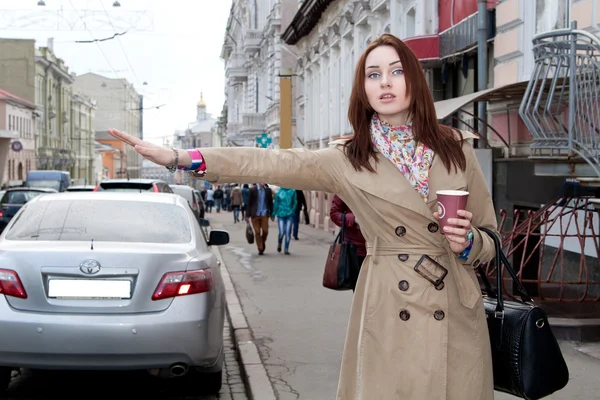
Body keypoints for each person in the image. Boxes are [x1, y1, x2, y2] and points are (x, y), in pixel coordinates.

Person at [108, 33, 498, 400]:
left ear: (414, 79)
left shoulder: (454, 148)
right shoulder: (348, 159)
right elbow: (268, 162)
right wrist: (182, 158)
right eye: (373, 74)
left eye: (396, 71)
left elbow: (491, 236)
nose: (386, 82)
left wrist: (469, 244)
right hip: (392, 303)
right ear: (363, 89)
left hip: (455, 302)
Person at [330, 194, 366, 290]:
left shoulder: (380, 183)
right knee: (360, 290)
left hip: (381, 248)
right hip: (356, 250)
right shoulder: (345, 184)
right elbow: (334, 213)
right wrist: (353, 219)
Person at [246, 183, 273, 255]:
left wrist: (272, 213)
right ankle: (260, 248)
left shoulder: (268, 190)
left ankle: (262, 242)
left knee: (265, 231)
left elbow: (270, 203)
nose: (262, 183)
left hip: (264, 213)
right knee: (257, 232)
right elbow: (249, 203)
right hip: (255, 214)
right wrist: (247, 215)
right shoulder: (252, 190)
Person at [272, 187, 297, 255]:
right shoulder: (279, 192)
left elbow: (295, 202)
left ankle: (286, 248)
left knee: (288, 232)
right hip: (281, 214)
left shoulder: (293, 191)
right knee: (282, 232)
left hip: (289, 215)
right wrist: (273, 214)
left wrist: (293, 210)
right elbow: (276, 204)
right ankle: (279, 243)